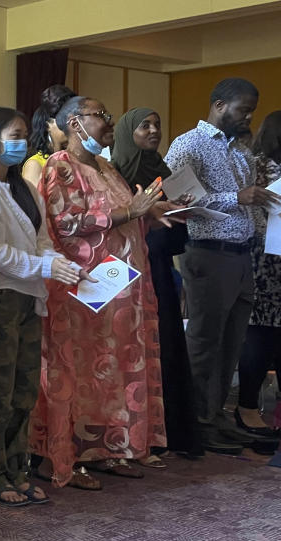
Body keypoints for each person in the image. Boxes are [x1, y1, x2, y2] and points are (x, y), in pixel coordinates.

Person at [30, 96, 169, 489]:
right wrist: (129, 213)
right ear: (75, 123)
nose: (108, 123)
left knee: (113, 375)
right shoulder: (61, 165)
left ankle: (108, 449)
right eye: (100, 116)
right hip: (86, 290)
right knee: (82, 374)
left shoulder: (106, 167)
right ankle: (65, 458)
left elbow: (128, 218)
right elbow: (65, 222)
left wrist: (156, 212)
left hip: (124, 290)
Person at [0, 106, 89, 505]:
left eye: (22, 135)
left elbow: (42, 240)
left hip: (28, 297)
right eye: (12, 135)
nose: (20, 143)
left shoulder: (24, 188)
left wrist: (58, 262)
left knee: (23, 394)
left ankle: (15, 468)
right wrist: (47, 264)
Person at [165, 78, 281, 453]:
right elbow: (178, 199)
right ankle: (196, 422)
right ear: (218, 105)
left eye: (252, 110)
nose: (249, 117)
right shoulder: (188, 144)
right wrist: (238, 196)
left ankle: (216, 417)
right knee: (204, 343)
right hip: (208, 253)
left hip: (242, 255)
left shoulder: (241, 151)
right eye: (242, 109)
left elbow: (251, 202)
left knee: (231, 345)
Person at [110, 107, 204, 460]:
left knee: (162, 349)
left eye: (157, 125)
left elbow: (175, 235)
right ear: (126, 132)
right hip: (123, 271)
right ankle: (128, 437)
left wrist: (181, 213)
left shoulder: (164, 171)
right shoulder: (114, 172)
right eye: (144, 126)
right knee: (128, 352)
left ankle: (161, 434)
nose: (153, 131)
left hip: (160, 271)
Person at [236, 111, 281, 439]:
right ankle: (247, 407)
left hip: (265, 256)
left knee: (267, 334)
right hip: (266, 259)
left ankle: (255, 407)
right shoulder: (258, 165)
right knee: (260, 335)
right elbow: (252, 211)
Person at [24, 84, 77, 188]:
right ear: (48, 125)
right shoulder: (35, 165)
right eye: (64, 122)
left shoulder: (77, 161)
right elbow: (37, 203)